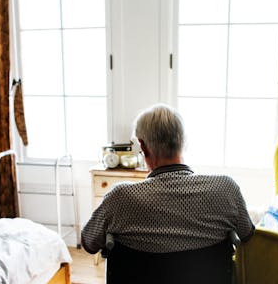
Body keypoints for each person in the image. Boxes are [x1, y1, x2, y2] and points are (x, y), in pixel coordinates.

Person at [81, 103, 254, 254]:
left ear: (143, 147)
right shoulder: (226, 188)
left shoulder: (120, 197)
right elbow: (247, 233)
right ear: (184, 141)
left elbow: (88, 242)